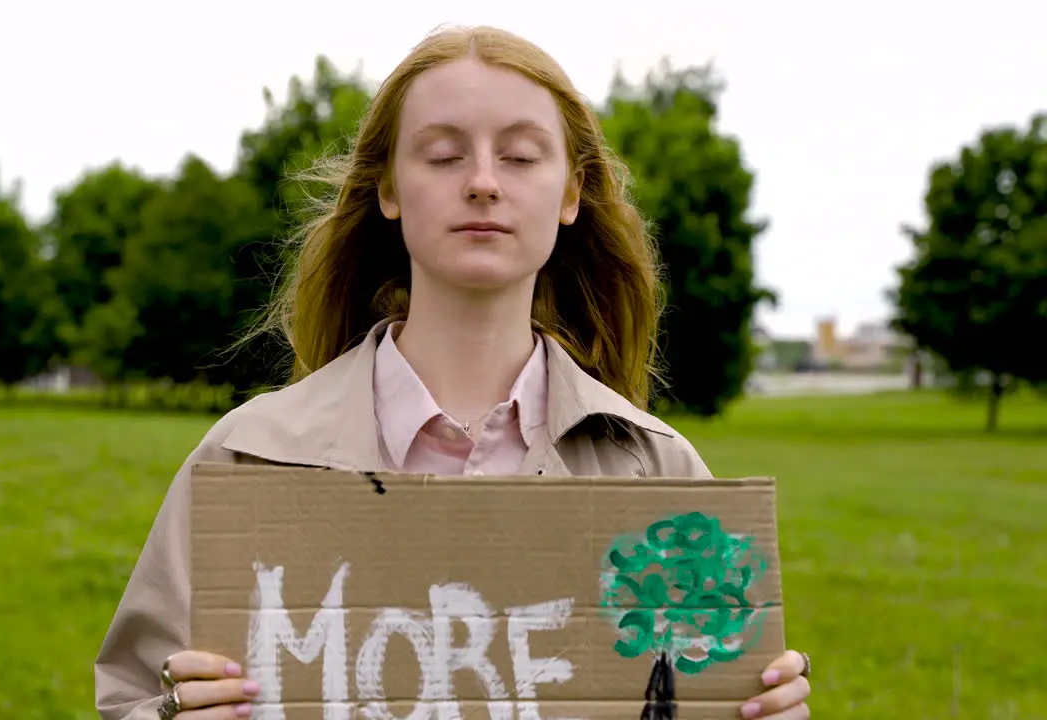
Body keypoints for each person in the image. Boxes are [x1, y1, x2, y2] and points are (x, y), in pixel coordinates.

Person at [95, 24, 813, 720]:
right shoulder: (247, 458)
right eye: (442, 155)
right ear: (389, 189)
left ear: (570, 194)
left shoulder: (657, 475)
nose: (482, 183)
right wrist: (169, 714)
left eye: (522, 156)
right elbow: (136, 693)